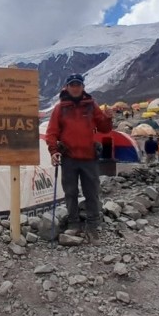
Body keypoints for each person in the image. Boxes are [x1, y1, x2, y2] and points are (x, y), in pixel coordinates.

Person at [46, 73, 113, 243]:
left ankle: (93, 224)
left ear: (83, 87)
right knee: (70, 192)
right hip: (69, 157)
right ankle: (73, 223)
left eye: (78, 84)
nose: (75, 87)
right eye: (72, 85)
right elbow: (52, 132)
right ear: (67, 87)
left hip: (89, 157)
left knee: (92, 192)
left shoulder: (91, 106)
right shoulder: (60, 108)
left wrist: (108, 117)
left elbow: (104, 128)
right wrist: (54, 151)